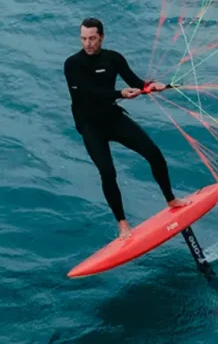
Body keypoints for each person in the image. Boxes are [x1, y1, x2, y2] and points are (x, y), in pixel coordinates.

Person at [64, 17, 189, 239]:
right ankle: (122, 224)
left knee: (154, 154)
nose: (88, 43)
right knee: (108, 172)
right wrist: (119, 93)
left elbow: (134, 81)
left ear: (102, 37)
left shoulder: (113, 59)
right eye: (84, 38)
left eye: (92, 38)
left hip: (113, 118)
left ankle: (171, 200)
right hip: (90, 126)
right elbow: (85, 92)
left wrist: (150, 86)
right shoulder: (72, 64)